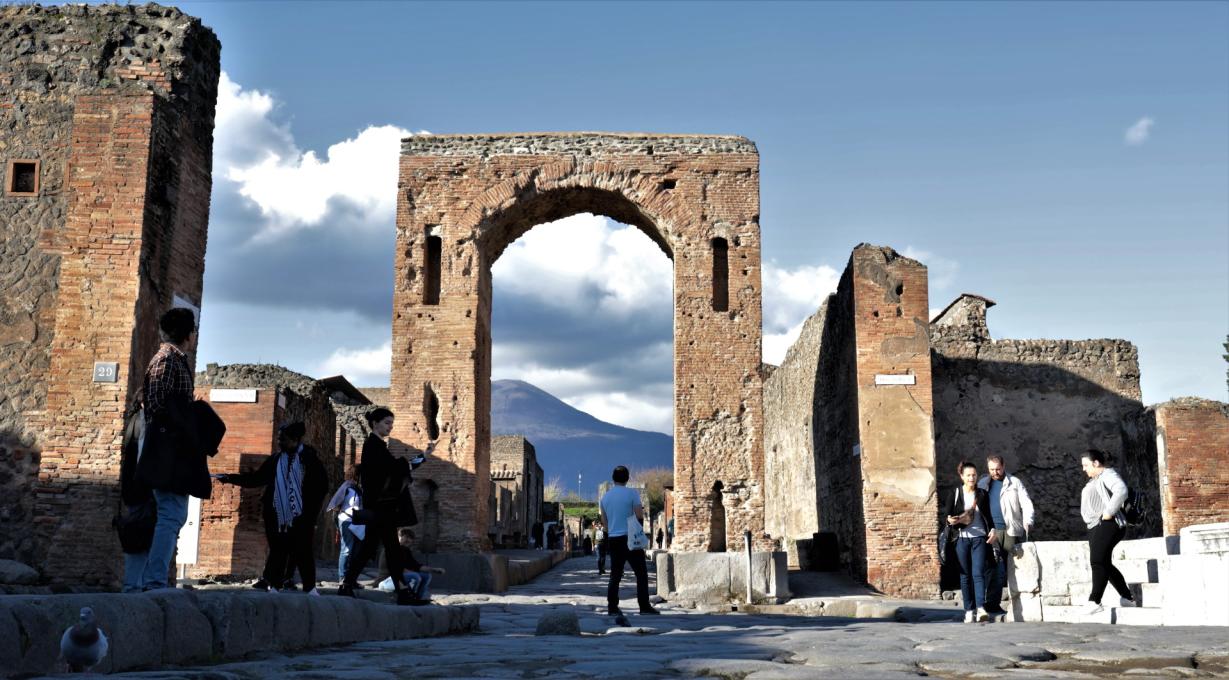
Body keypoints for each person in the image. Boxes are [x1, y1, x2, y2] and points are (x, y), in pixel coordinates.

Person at [134, 307, 210, 591]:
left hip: (172, 449)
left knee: (172, 513)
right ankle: (153, 581)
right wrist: (185, 417)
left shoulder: (171, 360)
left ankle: (152, 579)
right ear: (189, 334)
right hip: (168, 451)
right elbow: (154, 405)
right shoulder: (166, 361)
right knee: (171, 513)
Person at [217, 422, 328, 594]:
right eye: (278, 438)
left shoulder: (310, 460)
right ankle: (275, 585)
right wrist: (230, 478)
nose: (279, 442)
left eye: (282, 439)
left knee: (303, 549)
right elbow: (256, 479)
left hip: (301, 514)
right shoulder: (276, 459)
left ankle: (310, 588)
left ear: (295, 440)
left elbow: (321, 488)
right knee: (278, 549)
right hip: (275, 513)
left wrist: (310, 512)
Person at [338, 407, 433, 606]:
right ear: (375, 423)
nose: (390, 427)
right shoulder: (373, 445)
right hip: (381, 507)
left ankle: (347, 584)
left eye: (392, 423)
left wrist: (423, 456)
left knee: (372, 547)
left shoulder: (378, 446)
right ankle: (402, 592)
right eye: (387, 423)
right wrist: (418, 459)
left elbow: (397, 468)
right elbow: (394, 469)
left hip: (381, 507)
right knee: (391, 548)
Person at [1079, 449, 1138, 615]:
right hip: (1095, 526)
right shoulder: (1096, 479)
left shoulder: (1107, 474)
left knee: (1097, 561)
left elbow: (1121, 490)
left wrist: (1108, 513)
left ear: (1096, 463)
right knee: (1104, 563)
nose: (1084, 469)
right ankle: (1128, 598)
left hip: (1109, 523)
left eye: (1086, 465)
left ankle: (1095, 600)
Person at [977, 455, 1035, 621]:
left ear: (1004, 466)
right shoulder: (983, 484)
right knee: (994, 568)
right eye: (991, 469)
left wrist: (1028, 520)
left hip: (1010, 530)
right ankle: (992, 603)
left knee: (1012, 567)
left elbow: (1026, 503)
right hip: (991, 531)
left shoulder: (1014, 483)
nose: (995, 472)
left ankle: (1017, 602)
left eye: (998, 469)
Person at [600, 466, 659, 617]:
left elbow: (604, 523)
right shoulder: (632, 493)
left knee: (615, 575)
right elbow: (639, 515)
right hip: (630, 538)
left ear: (613, 478)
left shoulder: (605, 498)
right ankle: (644, 606)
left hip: (614, 539)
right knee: (641, 573)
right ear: (627, 478)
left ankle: (612, 607)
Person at [944, 460, 995, 623]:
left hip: (979, 538)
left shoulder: (982, 494)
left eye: (974, 475)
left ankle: (981, 608)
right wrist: (950, 521)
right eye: (968, 475)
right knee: (965, 576)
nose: (972, 478)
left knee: (978, 573)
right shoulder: (955, 493)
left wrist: (993, 530)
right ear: (962, 476)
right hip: (961, 540)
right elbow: (947, 516)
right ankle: (968, 610)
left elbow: (989, 516)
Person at [326, 464, 365, 582]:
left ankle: (351, 578)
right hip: (347, 521)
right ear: (356, 475)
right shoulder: (347, 487)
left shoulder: (358, 488)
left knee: (356, 551)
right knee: (347, 550)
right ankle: (342, 578)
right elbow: (335, 505)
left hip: (357, 522)